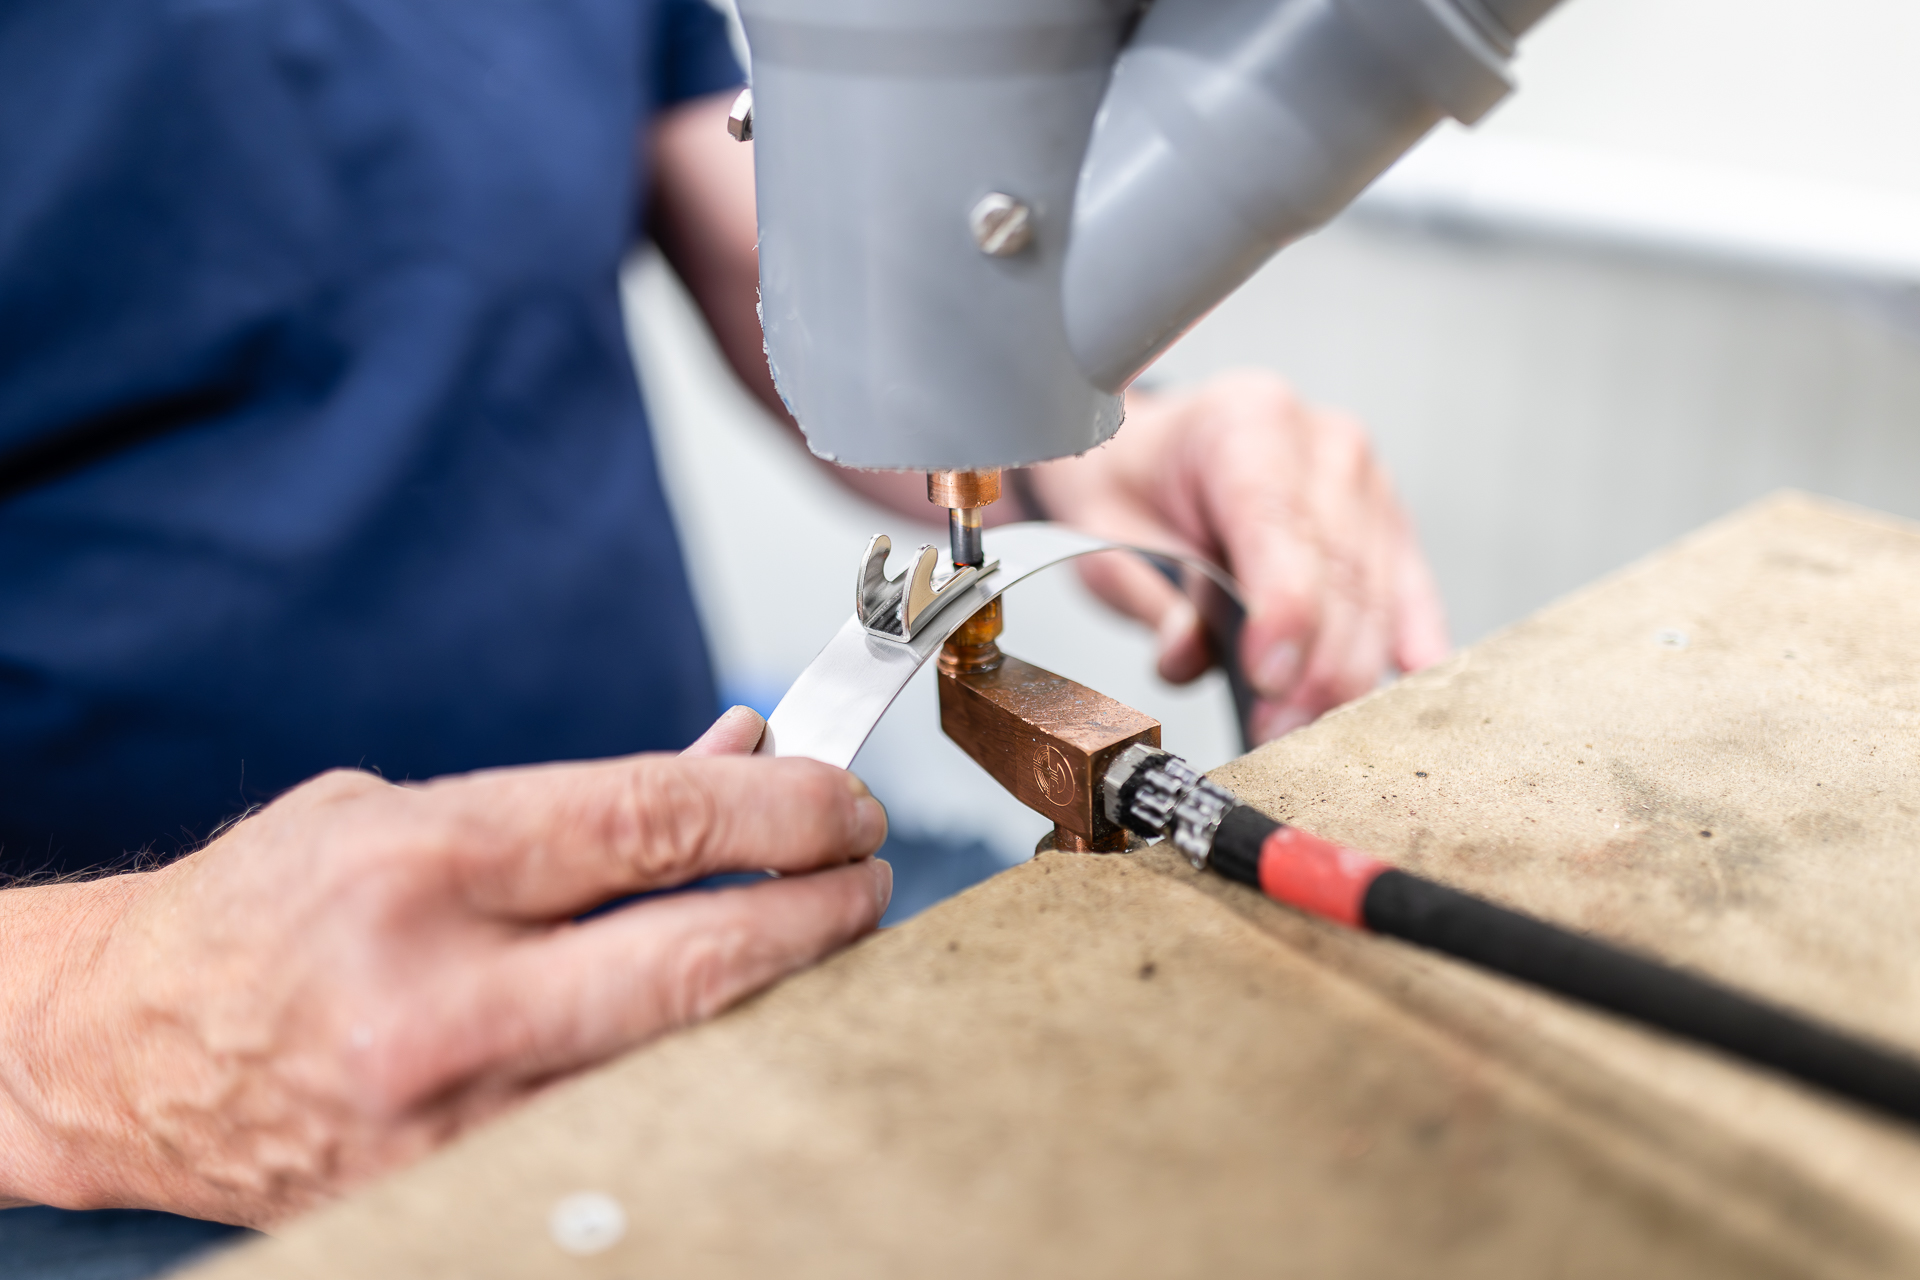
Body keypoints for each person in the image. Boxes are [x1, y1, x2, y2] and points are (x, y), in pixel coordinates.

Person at [0, 0, 1448, 1258]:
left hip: (712, 920)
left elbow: (822, 275)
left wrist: (1093, 441)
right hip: (122, 1150)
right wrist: (87, 1036)